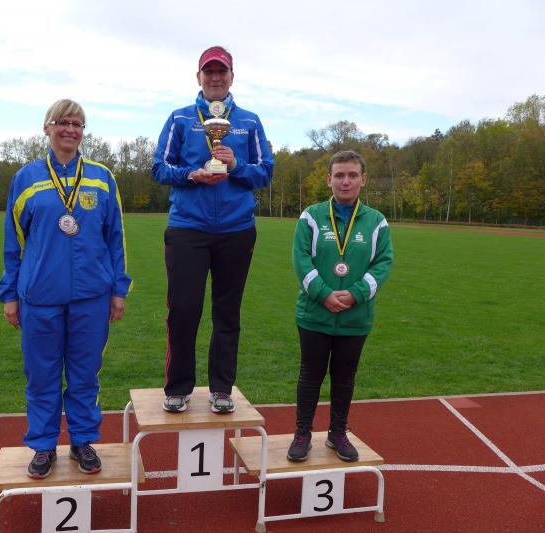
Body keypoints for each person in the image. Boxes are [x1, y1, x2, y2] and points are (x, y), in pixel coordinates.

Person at [0, 99, 132, 478]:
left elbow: (115, 238)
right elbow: (13, 241)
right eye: (63, 122)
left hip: (92, 296)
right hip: (40, 296)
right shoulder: (26, 178)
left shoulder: (102, 178)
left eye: (77, 124)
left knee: (85, 374)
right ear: (47, 127)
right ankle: (43, 446)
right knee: (42, 375)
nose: (70, 129)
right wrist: (9, 294)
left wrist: (119, 289)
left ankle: (82, 440)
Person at [152, 46, 273, 414]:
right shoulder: (179, 118)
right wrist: (191, 175)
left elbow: (265, 172)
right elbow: (159, 168)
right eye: (210, 72)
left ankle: (222, 389)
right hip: (188, 228)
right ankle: (178, 387)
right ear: (199, 77)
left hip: (237, 229)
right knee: (184, 310)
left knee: (227, 313)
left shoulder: (249, 121)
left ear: (232, 77)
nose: (216, 78)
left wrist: (236, 166)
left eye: (222, 72)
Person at [286, 150, 393, 463]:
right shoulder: (311, 216)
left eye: (352, 175)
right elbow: (300, 259)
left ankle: (337, 432)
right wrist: (323, 294)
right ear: (329, 179)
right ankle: (303, 433)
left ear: (363, 180)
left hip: (355, 316)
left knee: (345, 377)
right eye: (339, 175)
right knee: (310, 375)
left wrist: (356, 294)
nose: (346, 181)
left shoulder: (376, 221)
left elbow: (383, 263)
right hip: (314, 313)